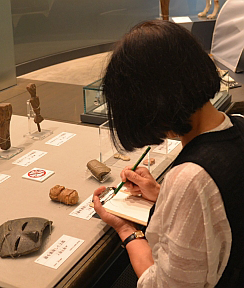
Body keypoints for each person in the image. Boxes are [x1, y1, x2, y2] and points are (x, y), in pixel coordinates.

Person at [92, 20, 244, 287]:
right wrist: (164, 195)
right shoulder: (240, 123)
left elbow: (162, 284)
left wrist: (126, 230)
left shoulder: (192, 179)